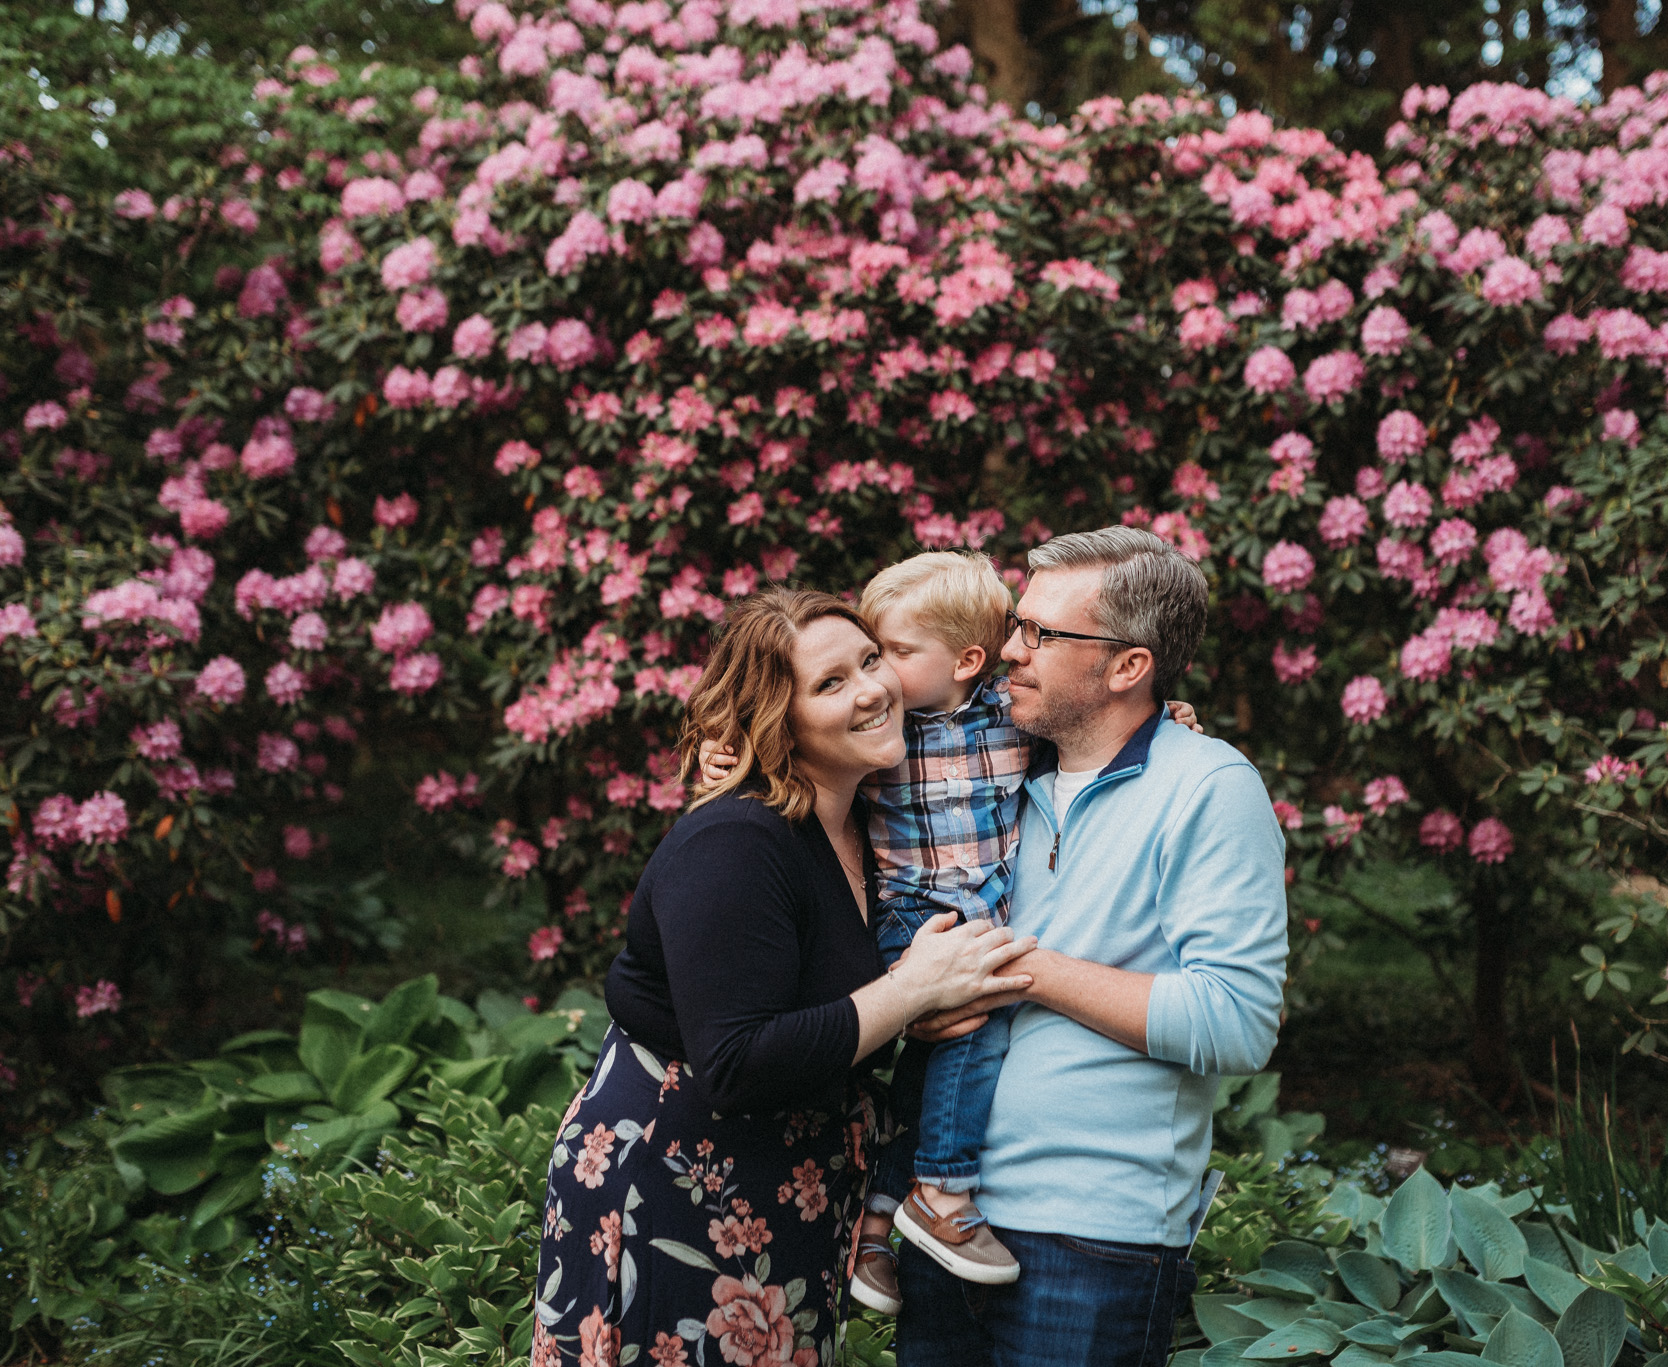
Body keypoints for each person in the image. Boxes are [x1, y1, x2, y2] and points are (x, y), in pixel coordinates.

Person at [532, 588, 1038, 1367]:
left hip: (784, 1193)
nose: (872, 688)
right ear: (779, 717)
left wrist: (1161, 723)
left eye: (872, 660)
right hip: (672, 1188)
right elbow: (737, 1059)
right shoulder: (736, 841)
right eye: (830, 683)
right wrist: (912, 992)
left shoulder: (873, 820)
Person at [697, 553, 1203, 1318]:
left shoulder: (1012, 721)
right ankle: (943, 1191)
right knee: (974, 1024)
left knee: (937, 1061)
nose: (880, 682)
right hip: (915, 913)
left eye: (889, 655)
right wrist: (726, 750)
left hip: (984, 911)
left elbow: (1094, 726)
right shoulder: (880, 740)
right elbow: (796, 735)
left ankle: (878, 1221)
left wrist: (1171, 724)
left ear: (965, 660)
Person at [895, 526, 1290, 1367]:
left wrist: (1012, 967)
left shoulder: (1210, 788)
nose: (1008, 650)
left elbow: (1235, 1022)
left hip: (1092, 1241)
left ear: (1127, 667)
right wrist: (923, 1001)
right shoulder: (999, 775)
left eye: (1041, 634)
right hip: (941, 1218)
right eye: (1017, 625)